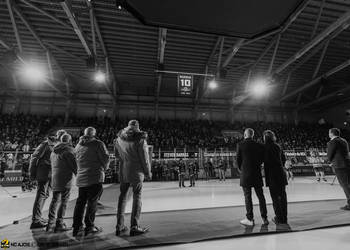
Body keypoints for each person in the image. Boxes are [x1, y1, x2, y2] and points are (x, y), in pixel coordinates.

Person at [115, 120, 151, 236]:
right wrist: (148, 172)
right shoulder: (140, 140)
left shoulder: (119, 138)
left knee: (122, 197)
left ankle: (119, 226)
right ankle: (134, 226)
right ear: (138, 127)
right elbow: (144, 159)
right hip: (136, 171)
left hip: (123, 170)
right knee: (137, 197)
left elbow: (117, 155)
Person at [72, 127, 110, 237]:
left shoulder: (78, 145)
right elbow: (105, 159)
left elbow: (75, 160)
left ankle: (77, 226)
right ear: (94, 134)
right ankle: (89, 226)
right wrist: (104, 168)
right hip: (94, 177)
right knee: (92, 203)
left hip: (82, 178)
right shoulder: (98, 144)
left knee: (80, 203)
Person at [236, 128, 268, 227]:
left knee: (247, 197)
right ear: (252, 135)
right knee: (260, 196)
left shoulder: (240, 145)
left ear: (245, 135)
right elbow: (263, 158)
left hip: (246, 174)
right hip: (256, 173)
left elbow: (238, 160)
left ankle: (250, 218)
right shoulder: (259, 145)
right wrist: (258, 164)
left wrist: (242, 170)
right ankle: (264, 218)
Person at [47, 133, 77, 233]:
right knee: (64, 201)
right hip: (65, 179)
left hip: (55, 179)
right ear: (69, 141)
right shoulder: (69, 150)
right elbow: (74, 166)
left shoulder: (53, 151)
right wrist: (80, 175)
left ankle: (50, 223)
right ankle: (59, 223)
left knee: (54, 200)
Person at [29, 136, 55, 229]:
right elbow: (34, 158)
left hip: (49, 175)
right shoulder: (45, 145)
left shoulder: (52, 145)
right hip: (43, 174)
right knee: (41, 195)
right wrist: (32, 173)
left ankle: (38, 218)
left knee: (45, 195)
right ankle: (35, 220)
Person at [263, 130, 288, 225]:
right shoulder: (278, 146)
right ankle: (284, 218)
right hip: (281, 174)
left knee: (275, 198)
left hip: (272, 175)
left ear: (265, 138)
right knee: (283, 197)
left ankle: (278, 217)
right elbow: (283, 159)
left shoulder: (264, 147)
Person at [327, 128, 350, 210]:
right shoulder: (344, 140)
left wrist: (329, 161)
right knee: (348, 184)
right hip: (347, 164)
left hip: (339, 166)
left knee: (344, 185)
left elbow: (330, 154)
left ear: (332, 133)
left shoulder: (332, 142)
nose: (328, 134)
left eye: (329, 133)